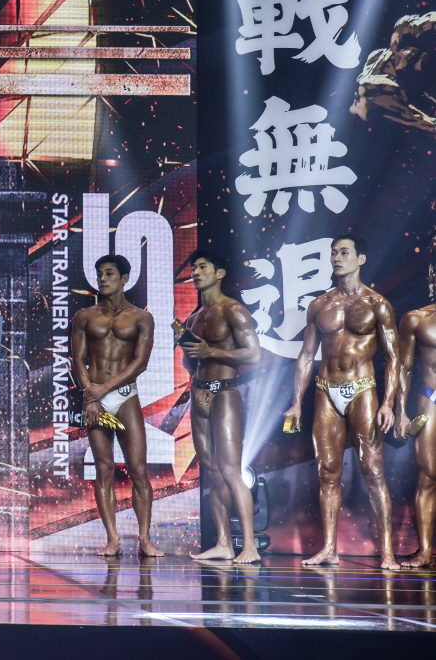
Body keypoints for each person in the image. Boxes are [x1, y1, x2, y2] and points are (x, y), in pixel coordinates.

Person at [283, 233, 401, 569]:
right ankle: (329, 549)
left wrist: (388, 402)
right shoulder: (320, 305)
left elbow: (393, 357)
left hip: (363, 389)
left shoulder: (377, 304)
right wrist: (296, 401)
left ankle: (388, 551)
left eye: (344, 252)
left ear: (360, 259)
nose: (336, 258)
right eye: (334, 252)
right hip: (326, 390)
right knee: (327, 472)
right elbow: (306, 355)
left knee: (373, 470)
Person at [71, 254, 161, 557]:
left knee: (138, 469)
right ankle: (112, 538)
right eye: (100, 273)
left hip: (124, 397)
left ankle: (145, 539)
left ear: (124, 279)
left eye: (109, 273)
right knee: (104, 468)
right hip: (94, 398)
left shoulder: (141, 318)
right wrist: (90, 395)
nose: (103, 278)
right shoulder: (85, 316)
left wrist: (102, 391)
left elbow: (141, 362)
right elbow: (78, 358)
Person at [176, 251, 263, 564]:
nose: (196, 273)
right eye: (194, 268)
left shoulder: (233, 310)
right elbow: (191, 364)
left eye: (203, 267)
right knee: (211, 471)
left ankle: (249, 546)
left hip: (224, 391)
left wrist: (210, 350)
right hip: (198, 392)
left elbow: (253, 354)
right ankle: (223, 543)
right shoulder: (193, 318)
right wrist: (187, 348)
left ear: (220, 273)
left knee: (230, 470)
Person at [401, 241, 436, 568]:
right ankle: (425, 550)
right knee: (427, 475)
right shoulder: (416, 319)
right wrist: (398, 410)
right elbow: (403, 368)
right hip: (431, 401)